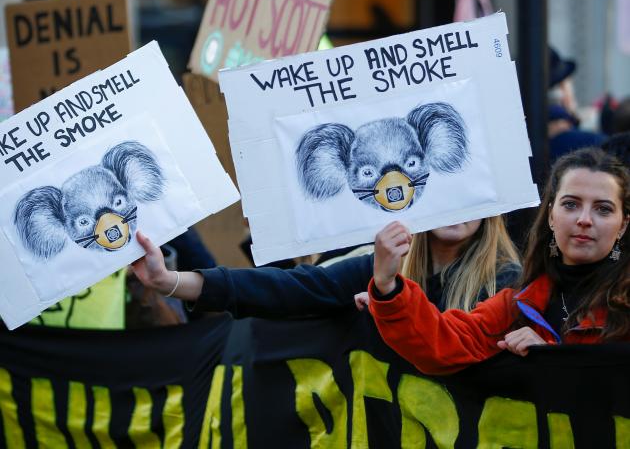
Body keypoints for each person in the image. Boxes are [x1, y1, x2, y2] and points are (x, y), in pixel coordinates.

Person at [367, 147, 630, 376]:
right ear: (551, 216)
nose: (584, 219)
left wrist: (553, 360)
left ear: (623, 225)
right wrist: (388, 287)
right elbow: (442, 345)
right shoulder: (517, 303)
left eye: (603, 209)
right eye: (571, 205)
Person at [131, 216, 520, 319]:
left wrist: (390, 305)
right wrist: (166, 280)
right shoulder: (380, 264)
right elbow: (286, 290)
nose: (458, 207)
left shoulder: (509, 283)